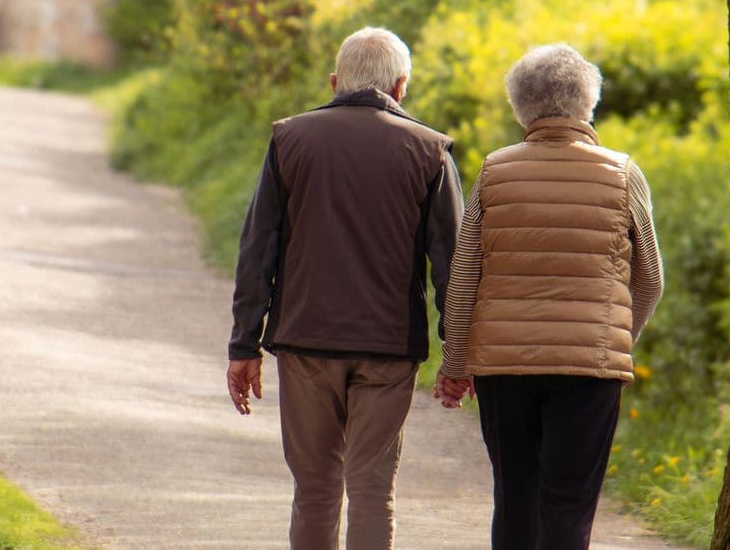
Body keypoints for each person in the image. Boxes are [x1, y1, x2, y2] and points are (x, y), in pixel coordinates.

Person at [227, 27, 463, 550]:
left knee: (314, 488)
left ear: (335, 82)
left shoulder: (290, 138)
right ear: (401, 86)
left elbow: (258, 247)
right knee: (373, 490)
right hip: (389, 347)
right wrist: (458, 352)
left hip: (306, 339)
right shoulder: (430, 151)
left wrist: (245, 344)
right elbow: (453, 265)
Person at [434, 44, 663, 550]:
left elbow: (465, 274)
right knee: (569, 504)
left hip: (505, 369)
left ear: (521, 106)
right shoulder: (623, 173)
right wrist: (612, 340)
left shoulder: (495, 171)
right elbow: (650, 277)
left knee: (514, 496)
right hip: (588, 370)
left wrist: (455, 361)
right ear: (588, 102)